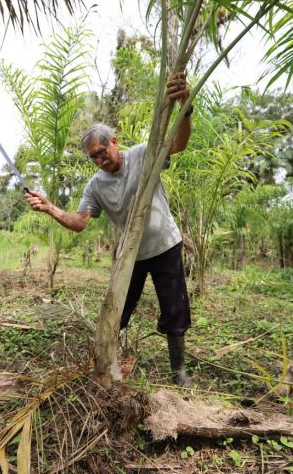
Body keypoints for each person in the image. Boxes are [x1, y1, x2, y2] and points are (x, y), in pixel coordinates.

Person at [25, 73, 194, 387]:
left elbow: (179, 144)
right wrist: (50, 208)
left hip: (165, 246)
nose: (99, 160)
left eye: (102, 152)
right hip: (131, 254)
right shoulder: (95, 185)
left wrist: (186, 103)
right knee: (118, 310)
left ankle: (179, 372)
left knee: (175, 310)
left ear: (114, 142)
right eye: (93, 157)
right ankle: (110, 364)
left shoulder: (143, 154)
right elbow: (79, 223)